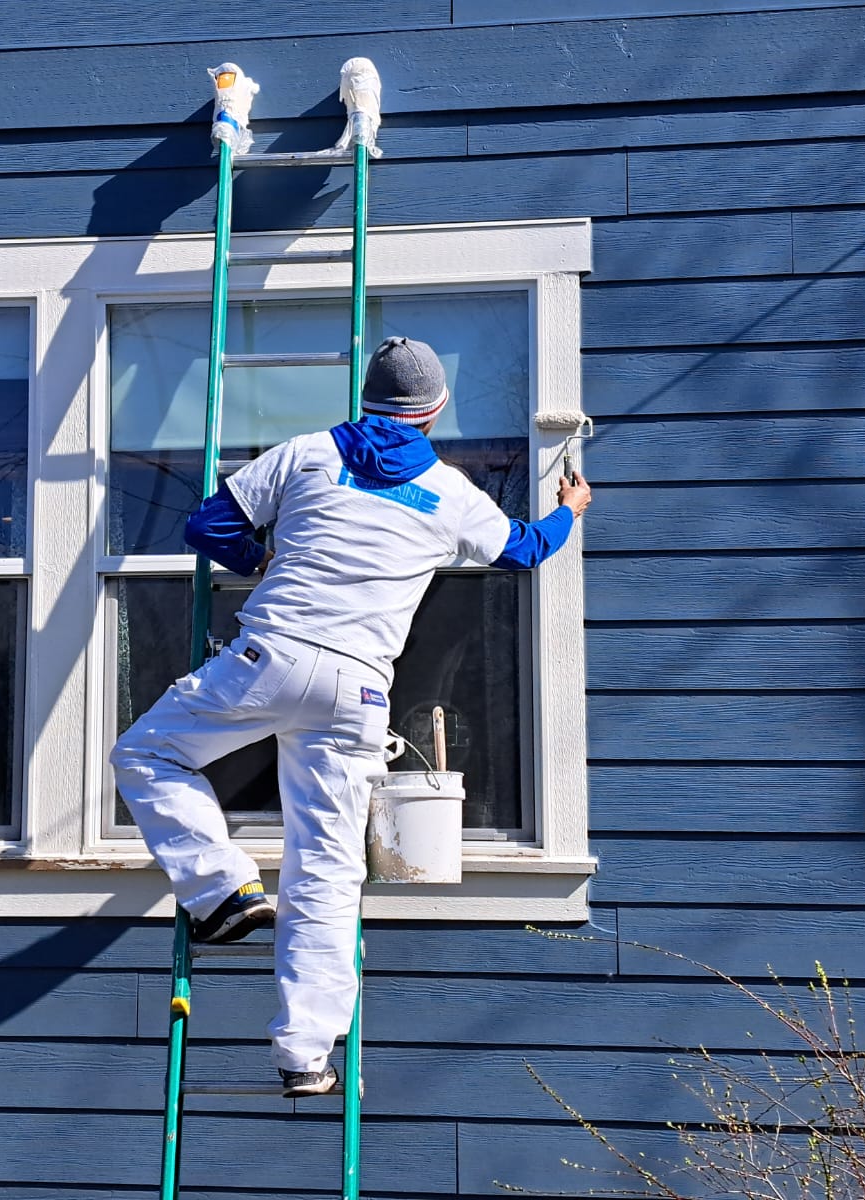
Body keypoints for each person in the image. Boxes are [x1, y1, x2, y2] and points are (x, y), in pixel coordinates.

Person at [110, 336, 593, 1097]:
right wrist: (569, 508)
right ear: (434, 411)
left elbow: (208, 528)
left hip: (269, 659)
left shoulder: (302, 454)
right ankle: (304, 1056)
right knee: (328, 870)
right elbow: (527, 551)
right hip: (359, 691)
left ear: (365, 397)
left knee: (147, 757)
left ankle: (222, 891)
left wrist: (262, 565)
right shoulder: (449, 491)